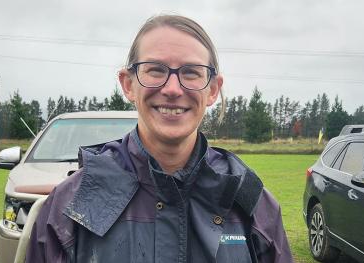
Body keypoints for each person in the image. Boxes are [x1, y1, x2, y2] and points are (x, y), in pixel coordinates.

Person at [26, 14, 292, 263]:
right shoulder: (72, 205)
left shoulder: (251, 203)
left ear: (213, 90)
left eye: (191, 72)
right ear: (128, 84)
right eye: (155, 70)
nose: (172, 89)